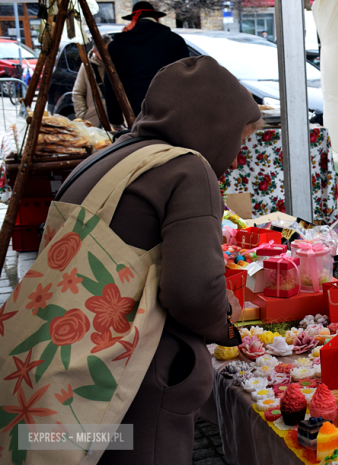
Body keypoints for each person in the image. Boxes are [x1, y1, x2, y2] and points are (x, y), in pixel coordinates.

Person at [59, 56, 263, 463]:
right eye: (239, 139)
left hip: (78, 364)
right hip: (136, 378)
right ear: (214, 124)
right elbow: (193, 292)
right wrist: (224, 319)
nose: (238, 157)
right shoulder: (188, 169)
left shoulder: (107, 158)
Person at [104, 1, 190, 126]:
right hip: (169, 112)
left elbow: (111, 86)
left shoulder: (117, 46)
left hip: (134, 115)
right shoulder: (173, 40)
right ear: (156, 18)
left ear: (134, 20)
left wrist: (115, 120)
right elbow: (186, 80)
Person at [72, 34, 111, 126]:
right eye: (104, 52)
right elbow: (78, 93)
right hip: (94, 122)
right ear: (95, 52)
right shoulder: (87, 66)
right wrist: (83, 116)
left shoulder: (118, 63)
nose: (108, 55)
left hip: (118, 122)